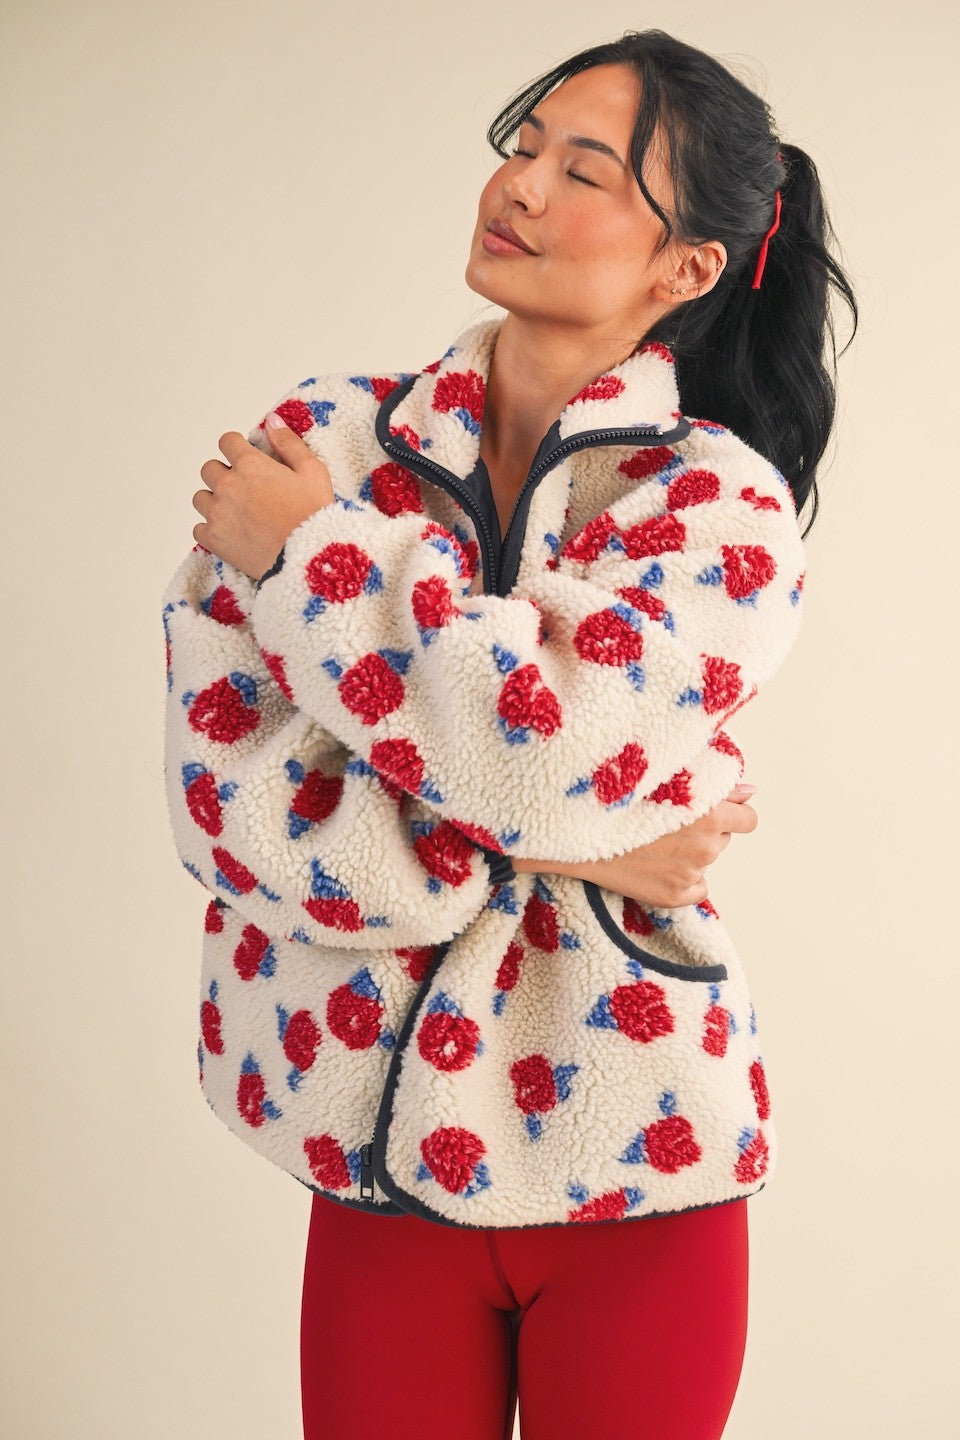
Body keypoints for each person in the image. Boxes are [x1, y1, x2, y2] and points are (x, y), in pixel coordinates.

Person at [162, 28, 856, 1440]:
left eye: (585, 170)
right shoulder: (323, 446)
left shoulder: (717, 512)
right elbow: (229, 801)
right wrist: (586, 849)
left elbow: (540, 751)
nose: (522, 186)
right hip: (377, 1173)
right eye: (524, 147)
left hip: (642, 1168)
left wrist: (312, 565)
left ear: (687, 269)